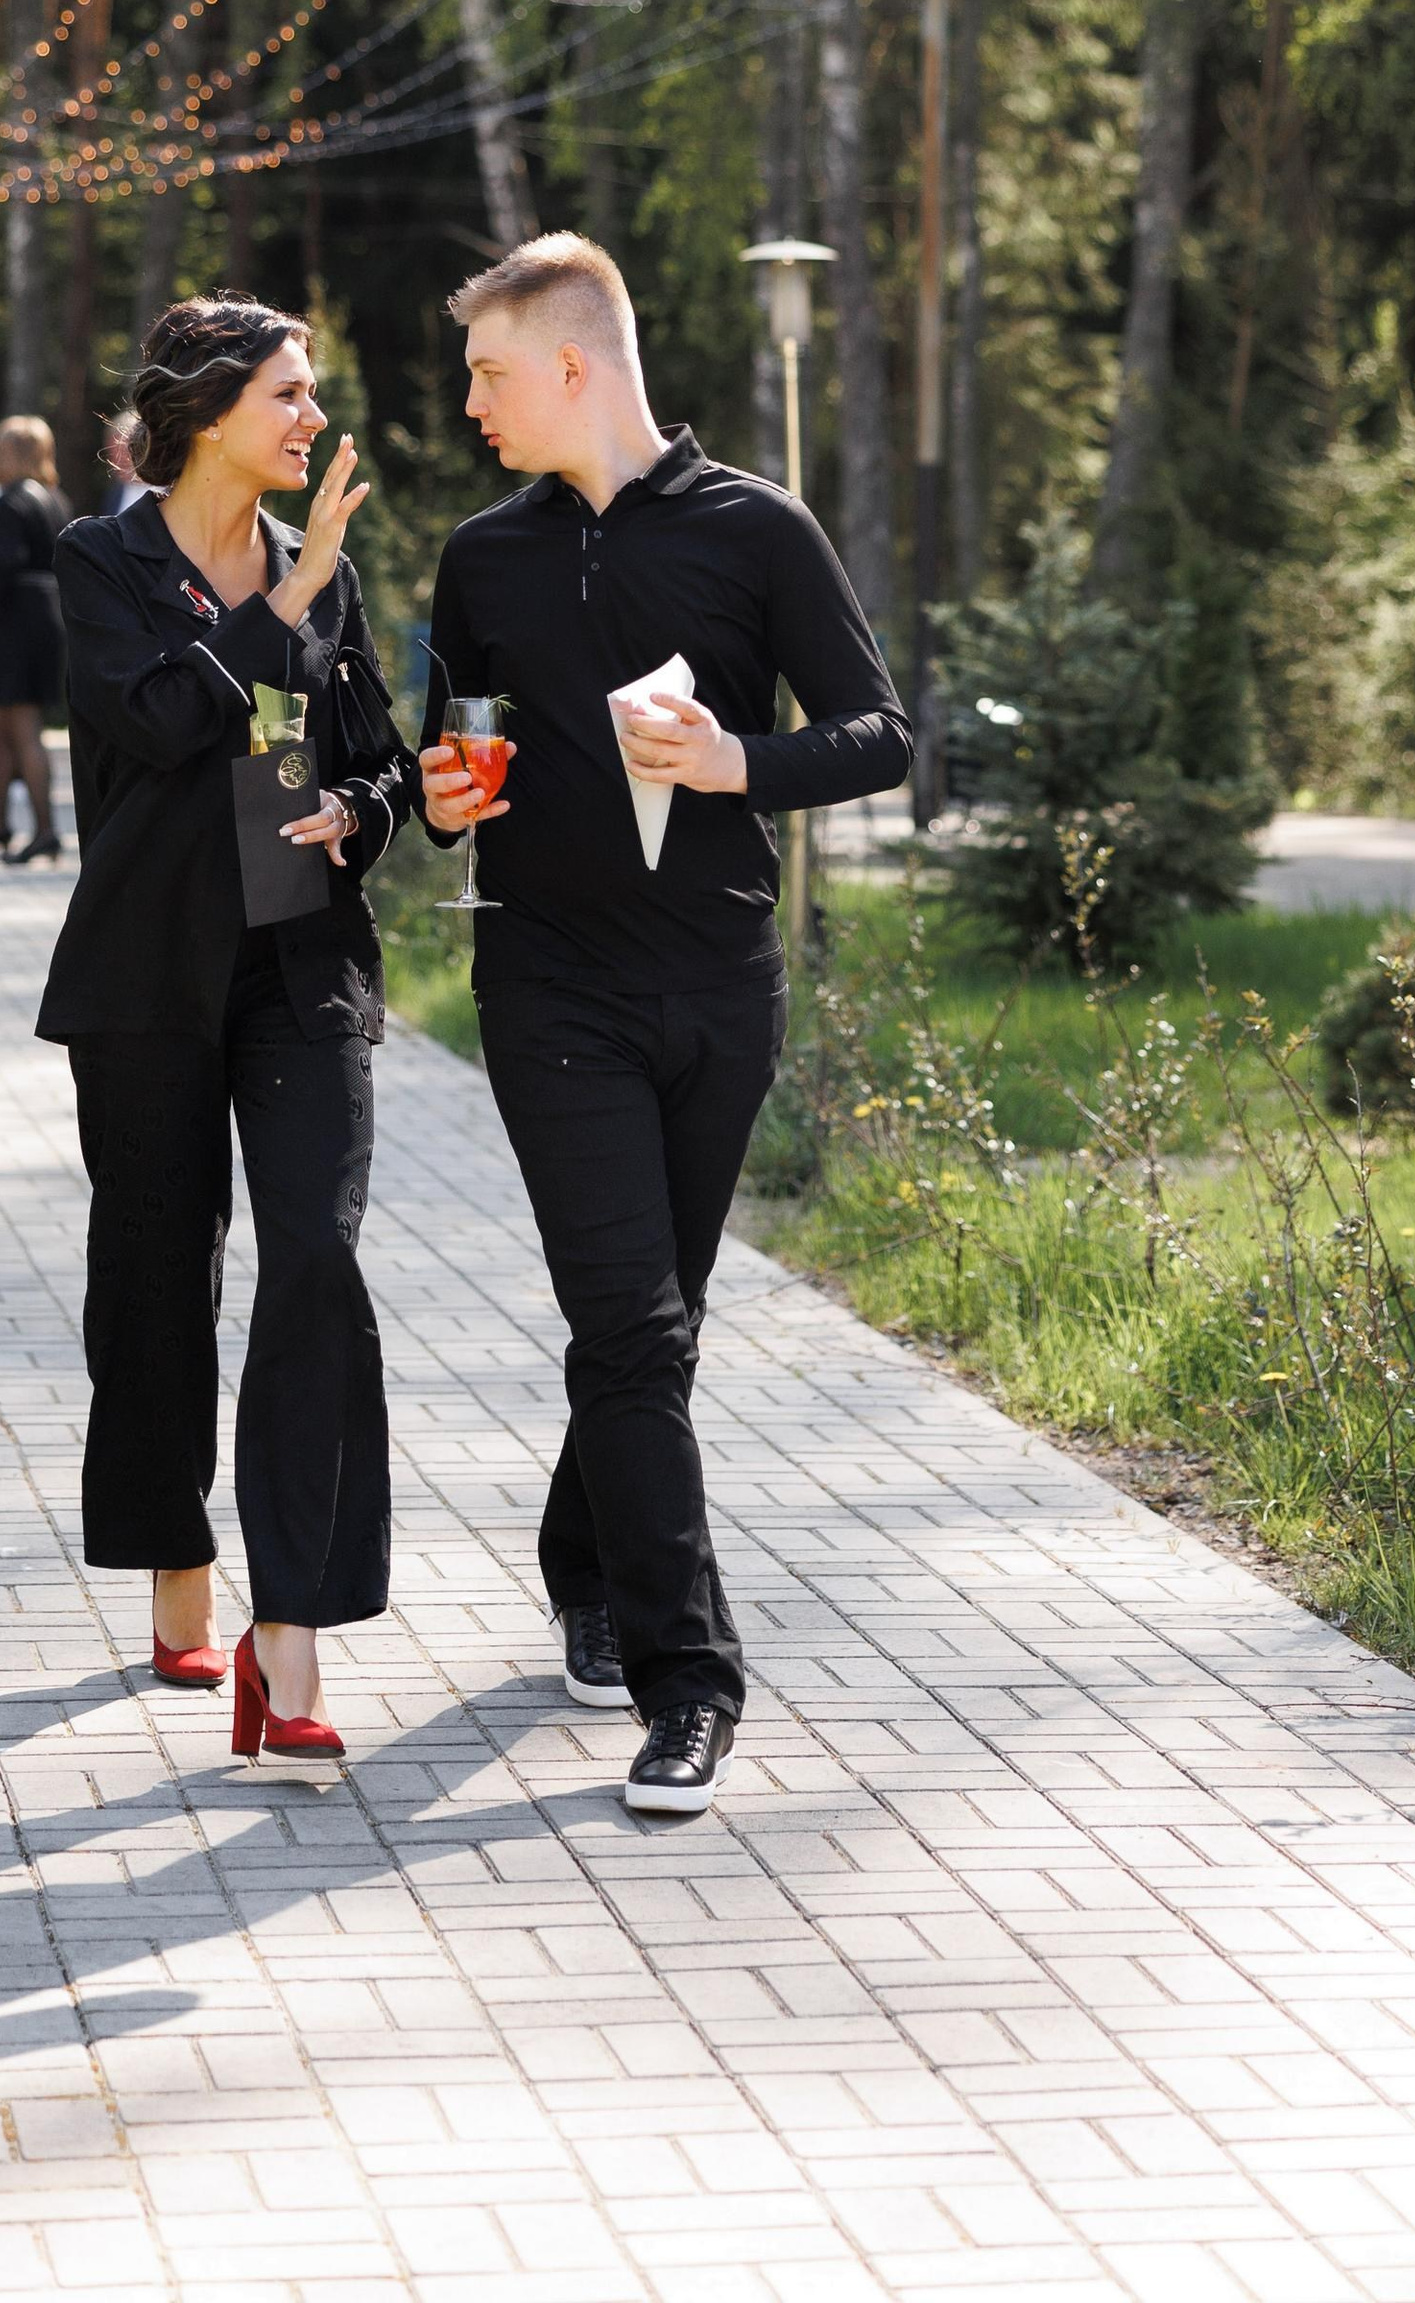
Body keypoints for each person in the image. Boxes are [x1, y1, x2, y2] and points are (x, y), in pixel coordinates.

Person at [418, 232, 910, 1819]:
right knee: (631, 1331)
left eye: (491, 373)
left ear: (573, 364)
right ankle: (688, 1683)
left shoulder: (758, 531)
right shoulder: (484, 554)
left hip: (719, 989)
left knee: (657, 1329)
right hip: (548, 991)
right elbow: (455, 741)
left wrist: (737, 766)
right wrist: (447, 788)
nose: (473, 402)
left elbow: (881, 733)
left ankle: (583, 1560)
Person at [36, 296, 413, 1760]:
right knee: (153, 1275)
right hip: (146, 979)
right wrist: (284, 594)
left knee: (316, 1258)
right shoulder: (101, 560)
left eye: (311, 395)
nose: (313, 420)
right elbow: (161, 726)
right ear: (203, 414)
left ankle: (294, 1631)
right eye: (289, 395)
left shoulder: (333, 576)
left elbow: (375, 762)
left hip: (300, 965)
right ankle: (176, 1566)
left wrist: (365, 811)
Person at [0, 416, 72, 862]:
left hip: (16, 621)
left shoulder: (11, 501)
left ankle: (44, 829)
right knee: (4, 724)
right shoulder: (56, 500)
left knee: (22, 727)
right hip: (50, 616)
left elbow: (3, 564)